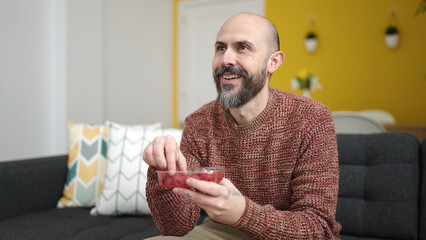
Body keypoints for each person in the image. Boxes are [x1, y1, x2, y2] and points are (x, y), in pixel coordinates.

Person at [143, 12, 341, 239]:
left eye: (243, 47)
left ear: (273, 62)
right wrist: (162, 171)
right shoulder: (198, 123)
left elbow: (319, 228)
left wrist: (244, 213)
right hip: (222, 231)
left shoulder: (312, 119)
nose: (226, 59)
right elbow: (176, 228)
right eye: (220, 48)